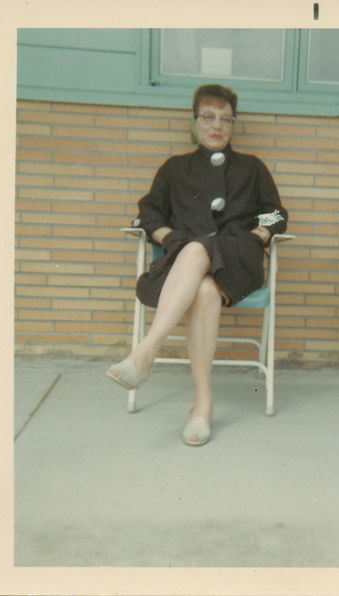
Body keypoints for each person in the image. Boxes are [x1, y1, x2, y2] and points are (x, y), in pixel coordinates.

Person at [106, 84, 288, 446]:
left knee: (196, 250)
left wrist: (259, 236)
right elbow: (149, 213)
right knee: (204, 288)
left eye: (225, 118)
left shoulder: (252, 168)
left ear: (234, 124)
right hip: (185, 267)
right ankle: (202, 407)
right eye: (208, 117)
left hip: (237, 259)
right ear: (194, 123)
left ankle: (145, 353)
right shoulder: (175, 169)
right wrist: (170, 238)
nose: (217, 125)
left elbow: (275, 213)